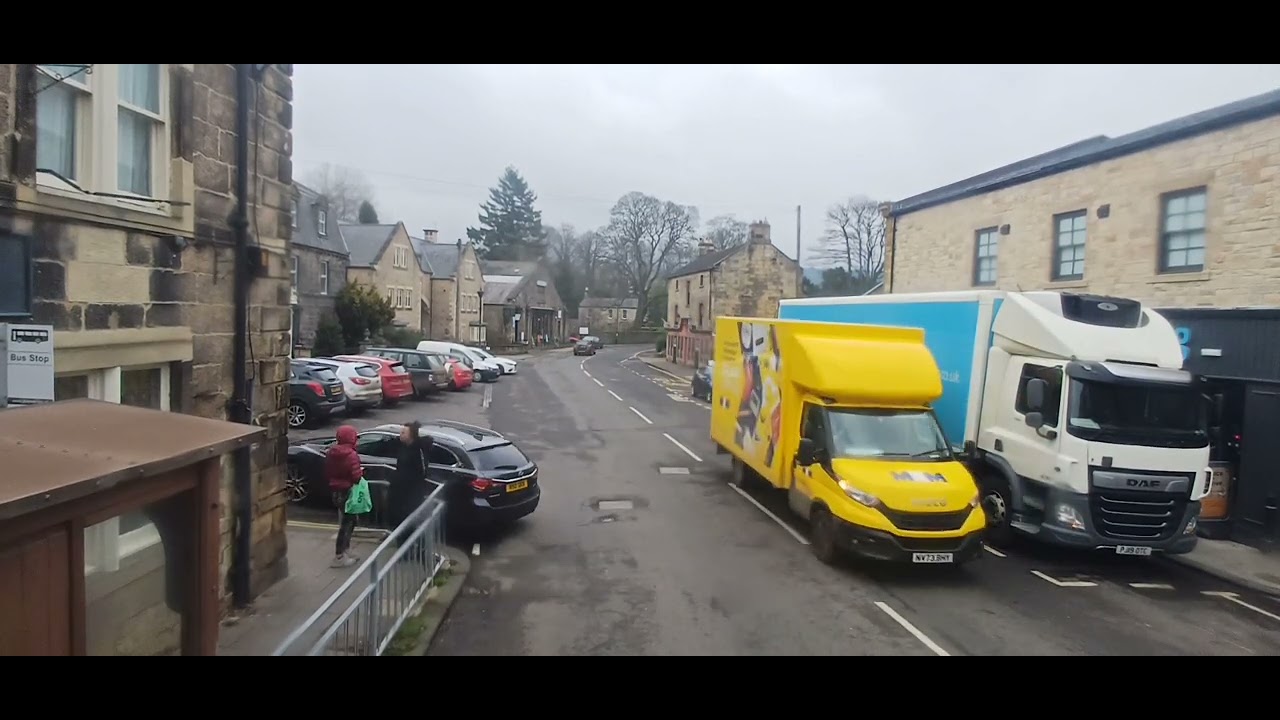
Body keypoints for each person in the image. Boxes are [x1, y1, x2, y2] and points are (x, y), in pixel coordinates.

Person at [389, 422, 434, 561]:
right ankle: (403, 552)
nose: (400, 435)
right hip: (400, 493)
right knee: (401, 522)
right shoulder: (403, 447)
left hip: (412, 494)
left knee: (413, 522)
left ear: (411, 436)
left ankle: (419, 551)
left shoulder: (418, 450)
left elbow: (422, 472)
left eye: (403, 433)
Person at [325, 424, 363, 568]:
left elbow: (328, 471)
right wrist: (360, 472)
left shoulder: (331, 452)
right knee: (348, 523)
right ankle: (340, 555)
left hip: (336, 491)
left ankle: (345, 551)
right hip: (348, 491)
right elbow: (356, 477)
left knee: (348, 522)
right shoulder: (351, 454)